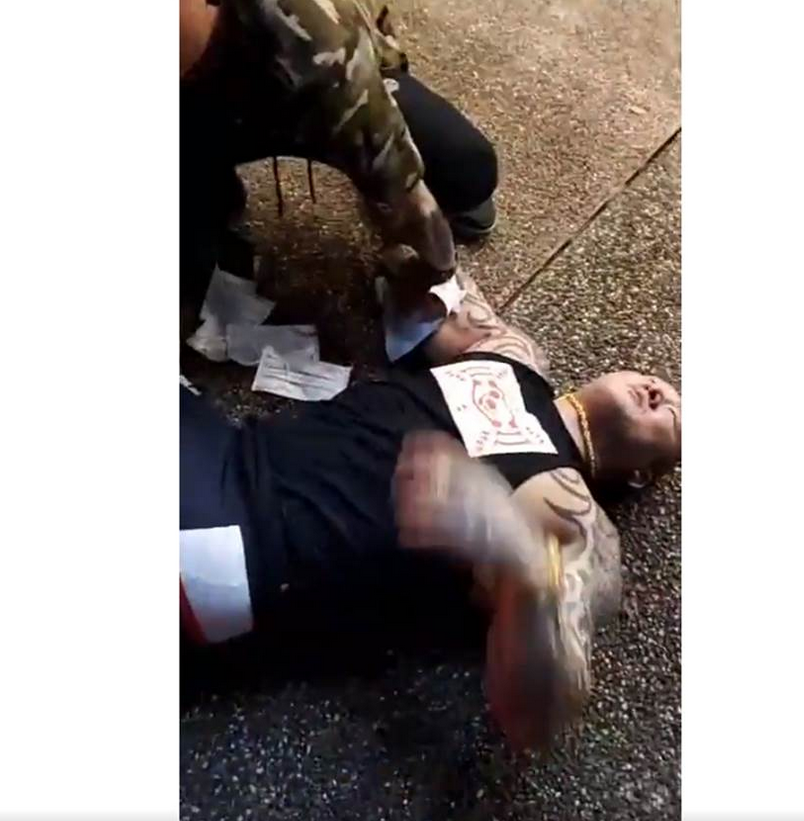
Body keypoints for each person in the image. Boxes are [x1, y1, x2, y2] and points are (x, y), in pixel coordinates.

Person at [180, 271, 681, 751]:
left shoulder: (579, 519)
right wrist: (416, 237)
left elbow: (539, 712)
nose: (660, 392)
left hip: (242, 539)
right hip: (230, 450)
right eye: (659, 379)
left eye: (675, 417)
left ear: (642, 474)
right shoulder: (515, 355)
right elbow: (429, 283)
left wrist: (519, 556)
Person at [180, 0, 499, 313]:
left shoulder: (320, 44)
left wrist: (437, 273)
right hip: (211, 99)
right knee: (192, 262)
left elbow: (408, 195)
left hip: (311, 78)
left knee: (463, 167)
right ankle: (212, 196)